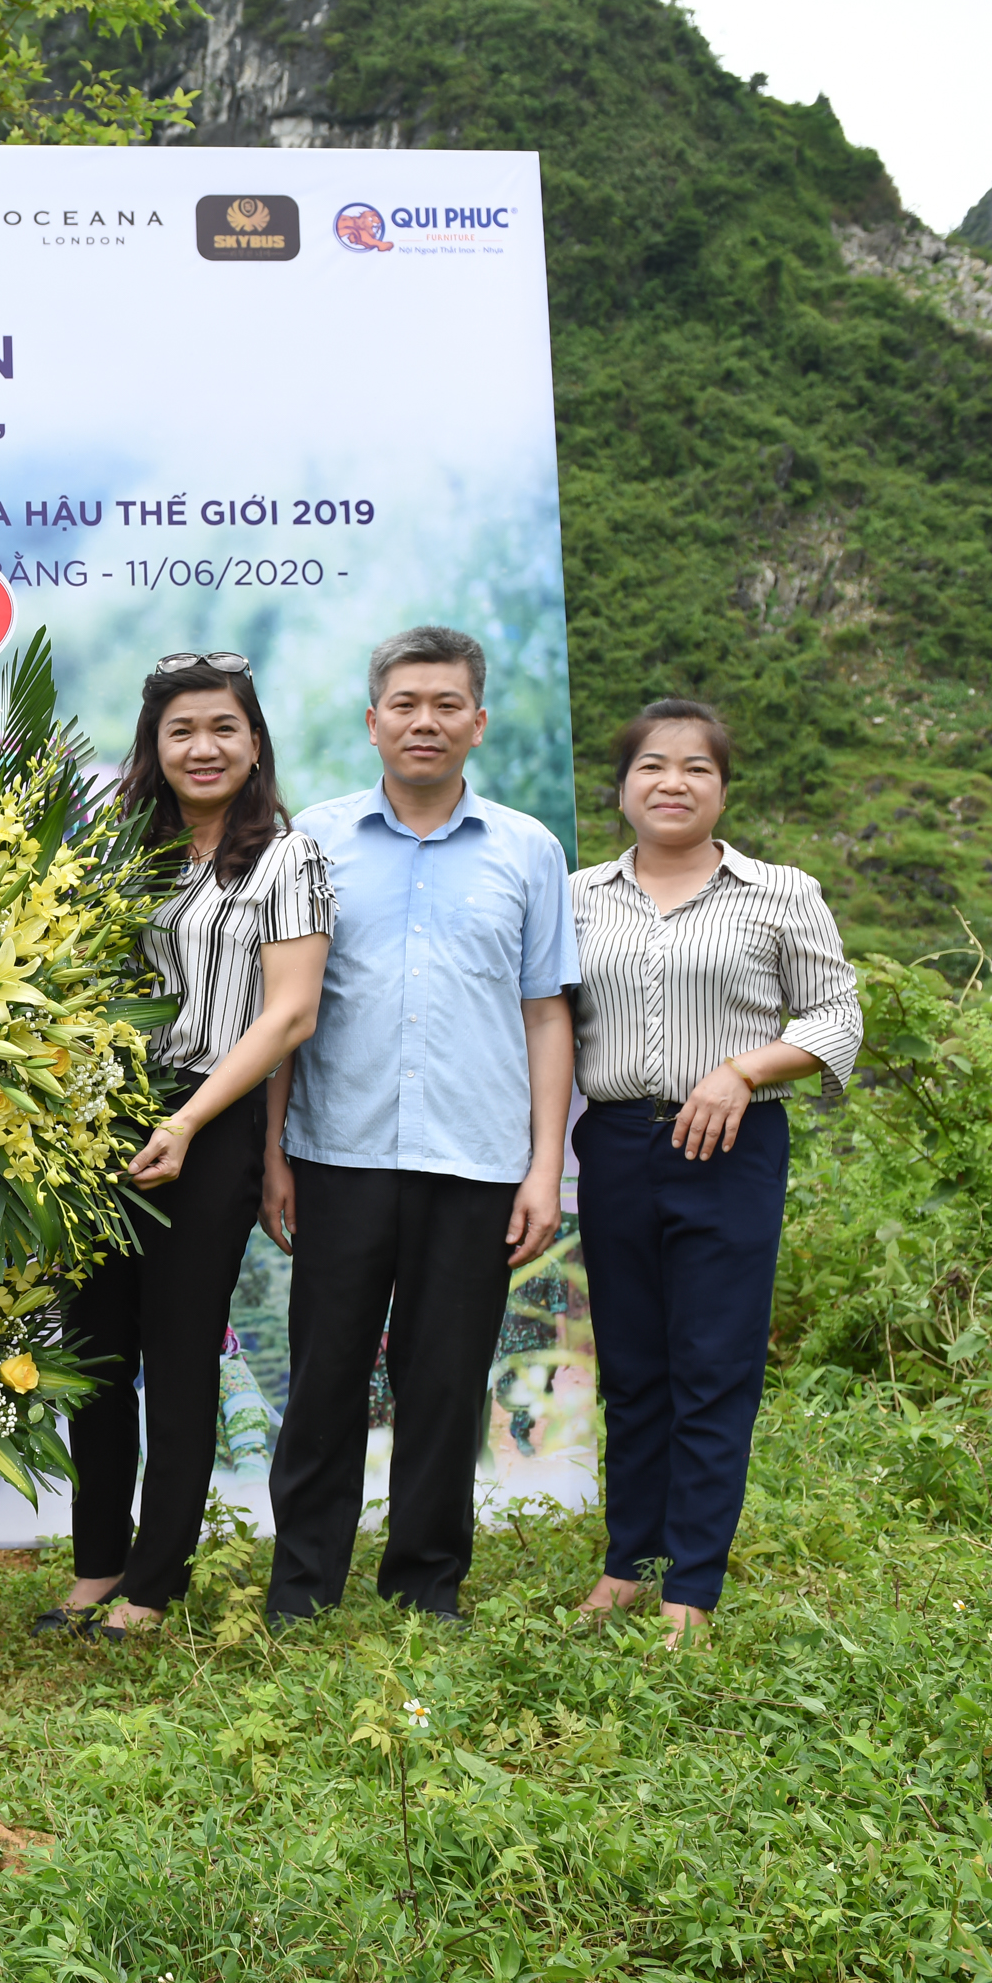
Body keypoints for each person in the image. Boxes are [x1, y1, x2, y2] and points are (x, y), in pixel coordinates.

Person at [262, 626, 579, 1626]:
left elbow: (544, 1013)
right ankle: (302, 1586)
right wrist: (272, 1152)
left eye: (447, 704)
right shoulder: (311, 840)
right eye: (405, 704)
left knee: (443, 1385)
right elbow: (285, 1011)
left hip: (476, 1164)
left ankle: (426, 1586)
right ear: (372, 722)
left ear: (478, 723)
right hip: (336, 1155)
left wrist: (544, 1170)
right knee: (323, 1382)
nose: (425, 721)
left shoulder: (527, 850)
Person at [45, 653, 331, 1637]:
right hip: (101, 1119)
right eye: (181, 731)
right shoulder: (119, 854)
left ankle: (154, 1582)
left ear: (254, 743)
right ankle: (94, 1566)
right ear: (154, 748)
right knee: (92, 1346)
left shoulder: (288, 858)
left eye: (223, 728)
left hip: (208, 1122)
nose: (202, 747)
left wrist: (193, 1120)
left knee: (176, 1350)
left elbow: (288, 1014)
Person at [568, 699, 859, 1645]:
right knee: (633, 1365)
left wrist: (741, 1069)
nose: (673, 783)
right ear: (622, 788)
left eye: (696, 767)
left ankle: (690, 1583)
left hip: (732, 1151)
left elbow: (837, 1019)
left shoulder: (780, 891)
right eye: (652, 765)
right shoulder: (577, 899)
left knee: (712, 1365)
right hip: (613, 1145)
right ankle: (629, 1561)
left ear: (723, 788)